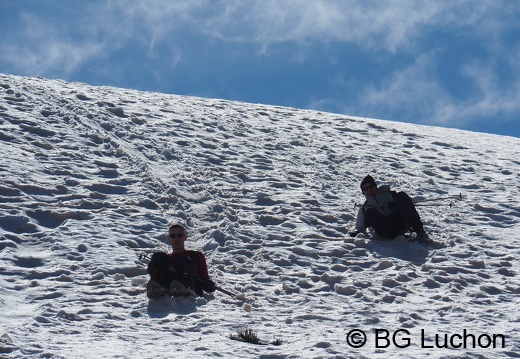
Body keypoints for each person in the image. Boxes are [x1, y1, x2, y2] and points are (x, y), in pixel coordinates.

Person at [146, 223, 216, 298]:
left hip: (193, 288)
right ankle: (158, 286)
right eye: (173, 236)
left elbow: (205, 279)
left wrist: (208, 285)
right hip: (169, 288)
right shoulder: (165, 259)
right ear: (169, 238)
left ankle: (186, 285)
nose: (176, 238)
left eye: (180, 235)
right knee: (157, 256)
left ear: (185, 237)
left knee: (183, 259)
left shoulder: (196, 255)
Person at [351, 175, 429, 241]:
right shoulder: (366, 206)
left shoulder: (388, 194)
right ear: (363, 192)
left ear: (375, 186)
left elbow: (406, 204)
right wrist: (358, 232)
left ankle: (419, 230)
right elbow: (360, 224)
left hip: (400, 221)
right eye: (366, 189)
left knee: (401, 195)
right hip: (386, 228)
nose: (370, 190)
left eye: (371, 186)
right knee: (368, 212)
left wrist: (395, 203)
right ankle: (397, 236)